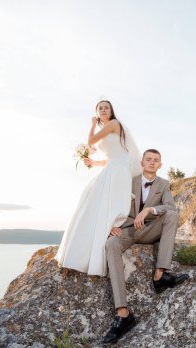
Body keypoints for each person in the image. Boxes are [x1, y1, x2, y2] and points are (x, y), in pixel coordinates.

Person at [102, 149, 189, 344]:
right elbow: (110, 203)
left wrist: (151, 209)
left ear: (160, 165)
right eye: (148, 159)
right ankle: (123, 314)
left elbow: (171, 206)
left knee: (173, 215)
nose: (151, 162)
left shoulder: (163, 184)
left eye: (155, 160)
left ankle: (160, 275)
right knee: (111, 244)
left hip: (150, 229)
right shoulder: (129, 181)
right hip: (127, 230)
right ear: (141, 162)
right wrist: (109, 226)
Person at [55, 100, 141, 276]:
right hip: (113, 165)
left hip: (120, 167)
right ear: (97, 111)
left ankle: (112, 226)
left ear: (111, 111)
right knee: (90, 195)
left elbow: (92, 140)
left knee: (107, 197)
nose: (103, 110)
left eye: (106, 107)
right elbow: (110, 157)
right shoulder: (108, 129)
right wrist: (93, 162)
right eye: (100, 108)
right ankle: (81, 250)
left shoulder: (113, 124)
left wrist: (93, 125)